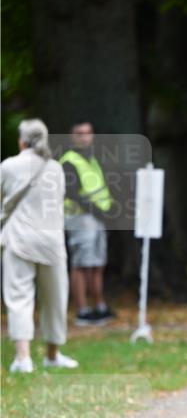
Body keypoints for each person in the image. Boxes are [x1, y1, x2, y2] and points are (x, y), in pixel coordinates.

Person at [1, 119, 78, 373]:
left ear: (21, 140)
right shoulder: (55, 168)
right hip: (51, 241)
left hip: (18, 239)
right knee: (55, 299)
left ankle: (23, 359)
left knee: (20, 298)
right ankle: (52, 355)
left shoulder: (8, 166)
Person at [60, 121, 116, 325]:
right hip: (80, 218)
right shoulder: (69, 161)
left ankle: (99, 307)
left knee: (97, 263)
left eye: (88, 133)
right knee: (81, 264)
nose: (85, 137)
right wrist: (98, 211)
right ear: (72, 137)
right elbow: (73, 193)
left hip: (97, 218)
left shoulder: (92, 159)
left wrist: (107, 211)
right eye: (79, 134)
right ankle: (82, 310)